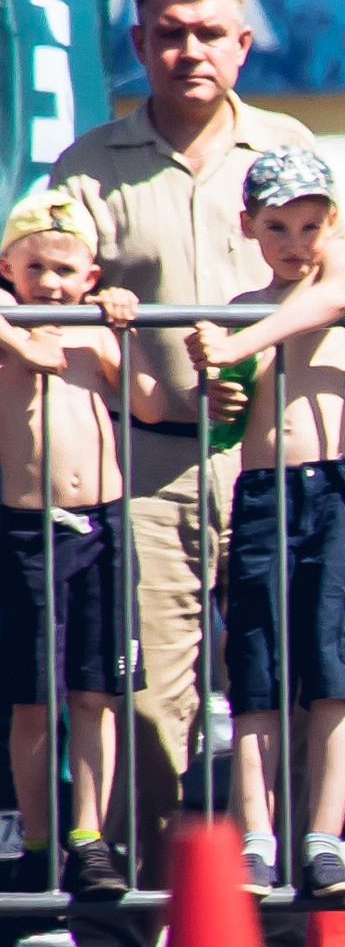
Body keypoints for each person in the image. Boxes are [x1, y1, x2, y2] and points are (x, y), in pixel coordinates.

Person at [48, 0, 345, 947]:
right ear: (139, 44)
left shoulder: (290, 149)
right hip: (144, 474)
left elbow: (343, 280)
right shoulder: (89, 167)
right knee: (150, 707)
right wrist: (128, 379)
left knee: (271, 696)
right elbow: (45, 293)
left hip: (273, 471)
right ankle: (117, 938)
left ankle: (271, 941)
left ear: (243, 43)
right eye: (169, 33)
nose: (190, 50)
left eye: (210, 32)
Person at [190, 146, 345, 899]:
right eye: (278, 227)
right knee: (257, 673)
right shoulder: (239, 313)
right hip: (264, 493)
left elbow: (331, 295)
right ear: (249, 229)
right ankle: (258, 835)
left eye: (309, 224)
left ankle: (325, 835)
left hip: (337, 491)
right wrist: (217, 386)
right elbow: (222, 414)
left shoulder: (340, 283)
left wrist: (237, 342)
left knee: (333, 670)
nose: (296, 242)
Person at [0, 189, 165, 901]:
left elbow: (153, 404)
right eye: (36, 267)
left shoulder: (93, 333)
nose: (52, 284)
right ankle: (38, 836)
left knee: (98, 692)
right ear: (9, 267)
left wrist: (118, 339)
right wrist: (17, 336)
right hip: (29, 530)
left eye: (67, 270)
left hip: (102, 525)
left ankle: (88, 835)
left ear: (92, 277)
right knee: (35, 699)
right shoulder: (11, 325)